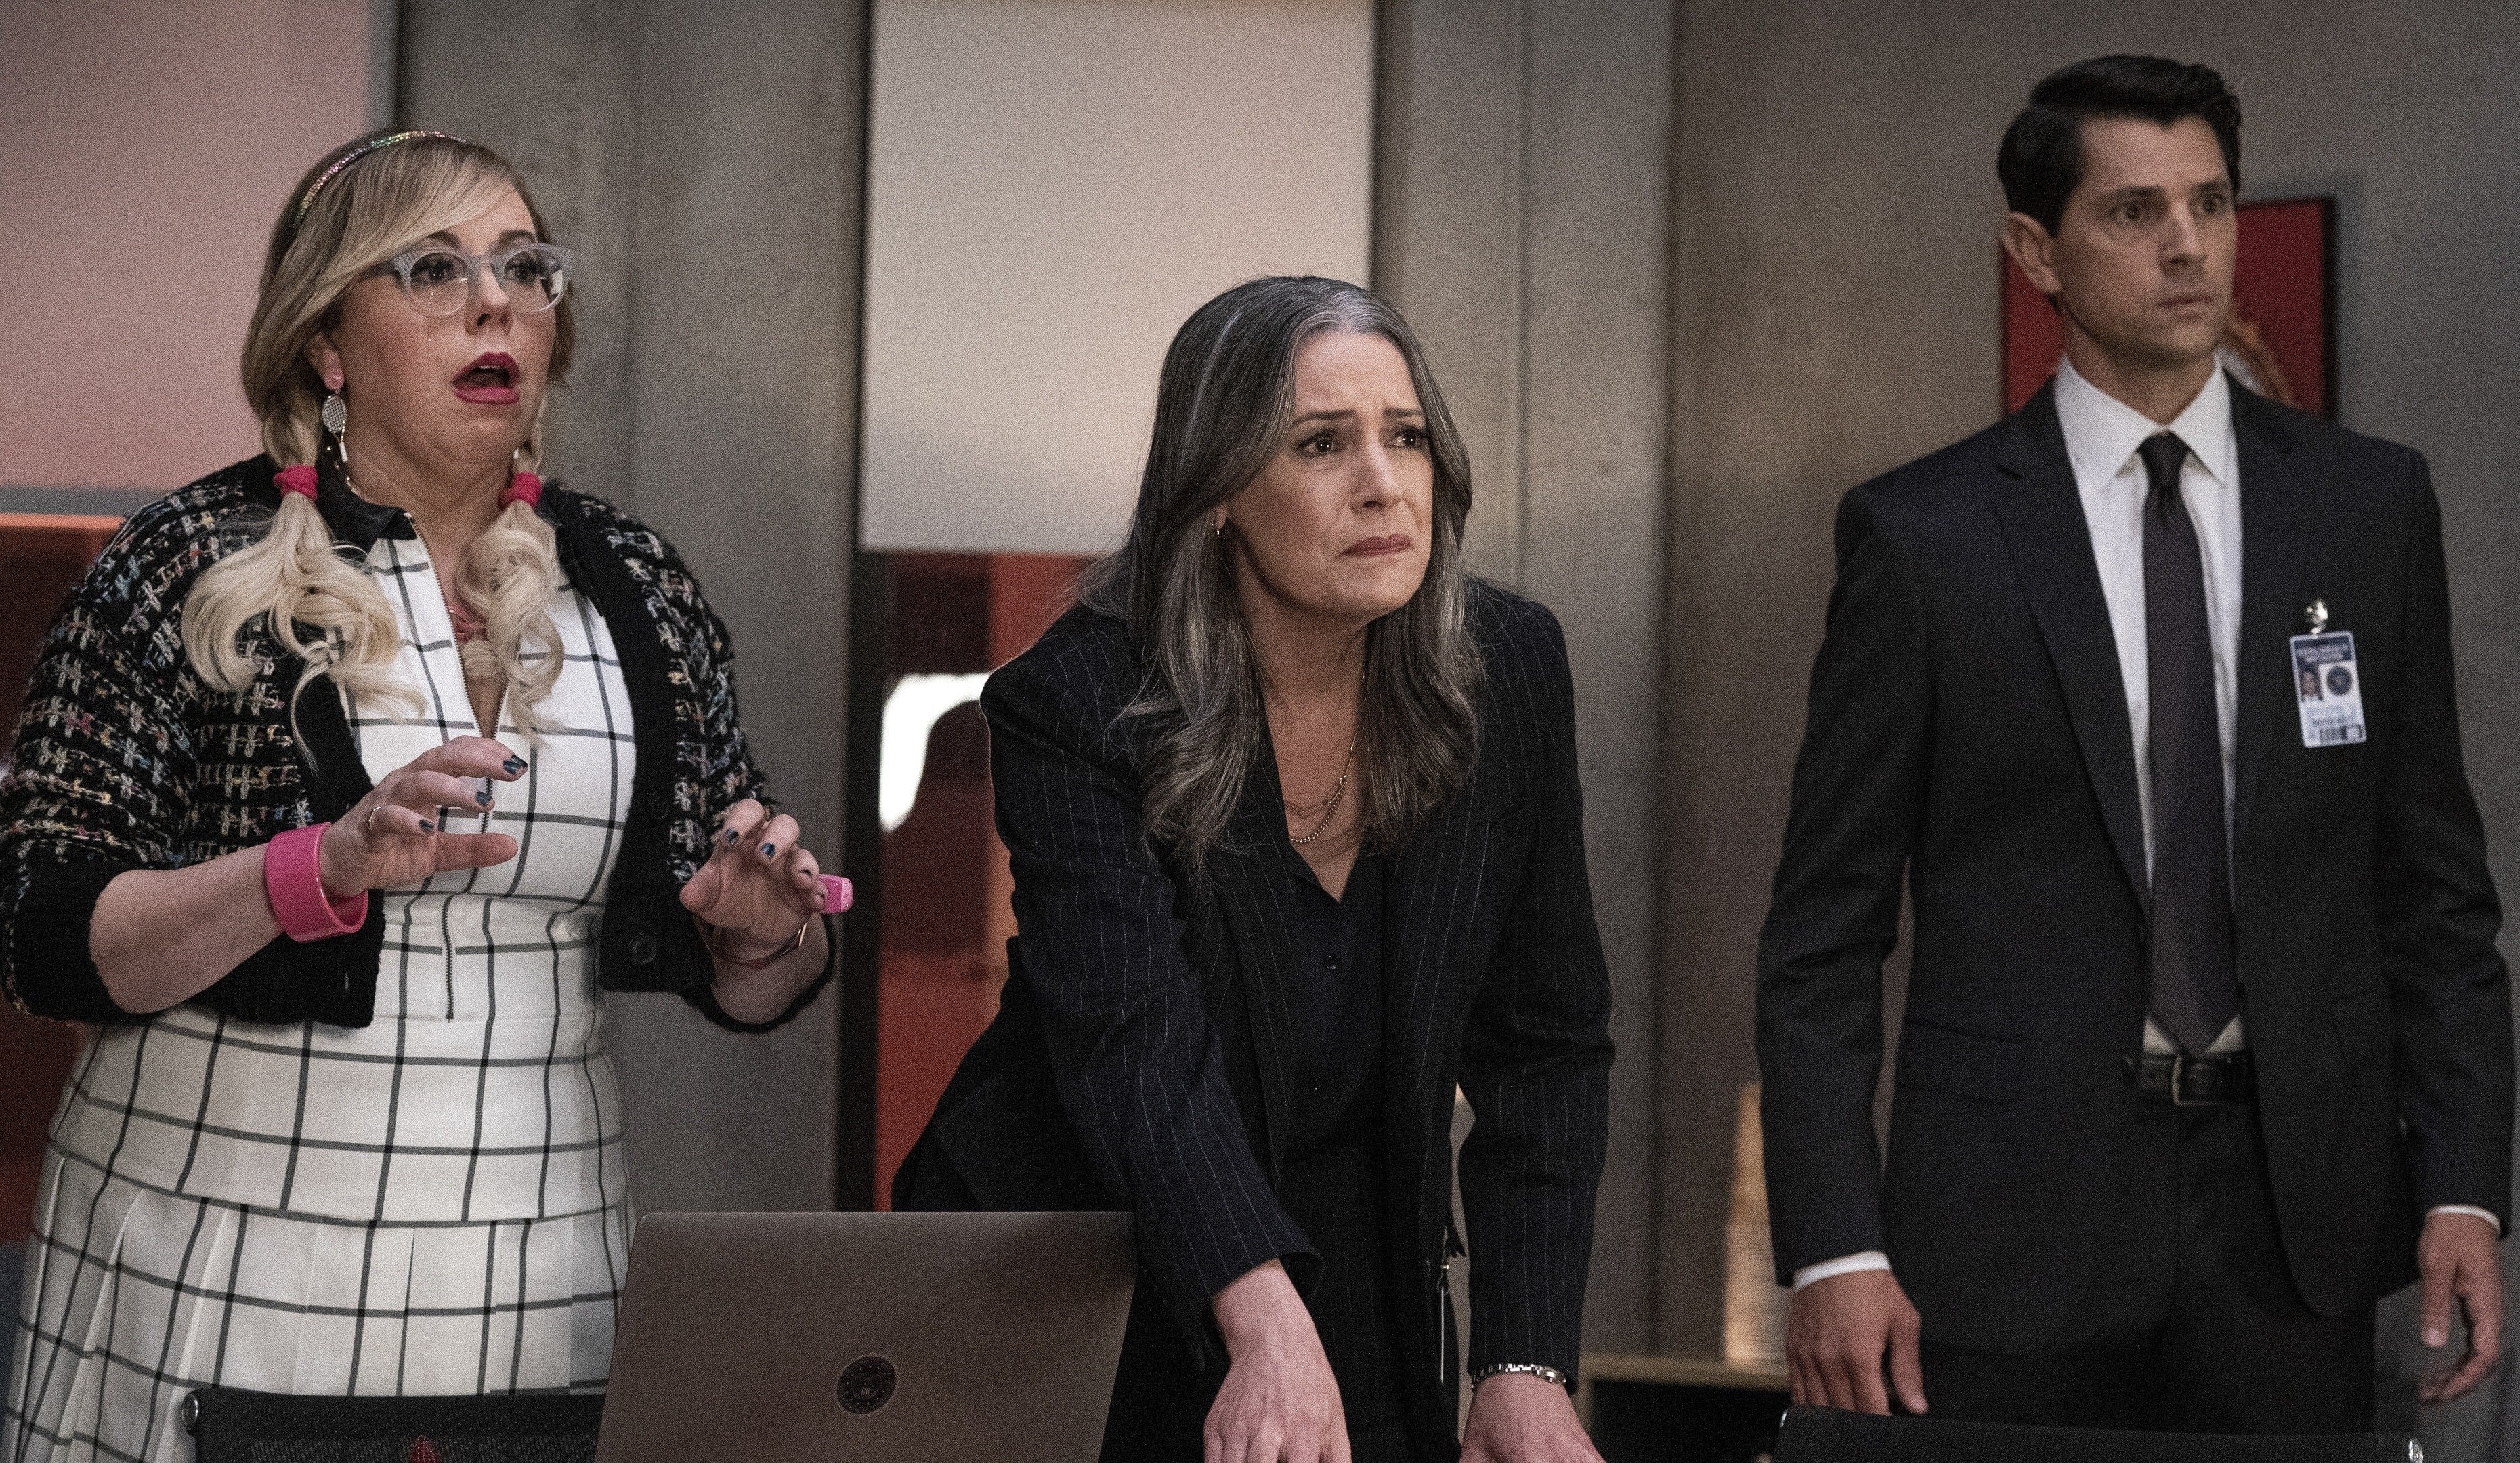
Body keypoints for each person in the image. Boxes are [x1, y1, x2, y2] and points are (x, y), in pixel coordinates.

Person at [1, 130, 836, 1460]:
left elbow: (749, 974)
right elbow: (43, 933)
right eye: (435, 269)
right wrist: (309, 873)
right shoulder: (186, 562)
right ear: (326, 344)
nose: (496, 301)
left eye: (524, 267)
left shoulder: (634, 584)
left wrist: (768, 930)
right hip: (226, 1274)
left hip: (541, 1283)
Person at [1757, 57, 2513, 1433]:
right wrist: (1833, 1246)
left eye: (2210, 203)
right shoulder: (1926, 540)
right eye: (2133, 211)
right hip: (2005, 1223)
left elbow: (2435, 891)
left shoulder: (2368, 506)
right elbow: (1823, 933)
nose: (2187, 245)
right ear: (2034, 250)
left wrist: (2462, 1179)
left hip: (2294, 1223)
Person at [895, 276, 1613, 1463]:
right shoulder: (1080, 700)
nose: (1382, 482)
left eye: (1407, 437)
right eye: (1321, 444)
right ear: (1218, 489)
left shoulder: (1508, 666)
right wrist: (1261, 1315)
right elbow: (1135, 1044)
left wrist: (1523, 1365)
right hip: (1077, 1271)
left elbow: (1546, 1043)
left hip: (1356, 1261)